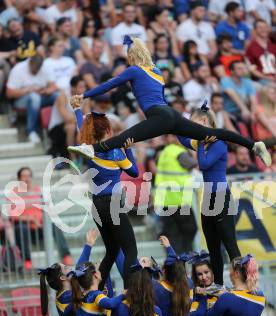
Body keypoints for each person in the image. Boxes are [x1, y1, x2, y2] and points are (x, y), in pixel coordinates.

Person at [68, 36, 271, 166]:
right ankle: (254, 145)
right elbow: (160, 104)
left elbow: (109, 84)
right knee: (213, 133)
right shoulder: (156, 71)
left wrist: (84, 96)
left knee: (126, 137)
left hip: (160, 115)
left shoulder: (134, 70)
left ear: (132, 55)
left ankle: (91, 149)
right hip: (171, 114)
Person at [71, 100, 139, 288]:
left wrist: (76, 109)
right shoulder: (116, 152)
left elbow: (80, 127)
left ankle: (96, 290)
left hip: (97, 205)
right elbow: (134, 172)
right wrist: (129, 150)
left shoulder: (89, 149)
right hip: (113, 204)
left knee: (111, 251)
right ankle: (130, 292)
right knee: (130, 250)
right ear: (108, 131)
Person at [178, 102, 241, 284]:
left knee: (230, 244)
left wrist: (198, 143)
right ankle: (219, 285)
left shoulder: (218, 142)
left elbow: (204, 164)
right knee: (212, 246)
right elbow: (182, 138)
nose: (192, 128)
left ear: (204, 121)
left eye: (194, 123)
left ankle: (243, 284)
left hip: (221, 196)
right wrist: (173, 123)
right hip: (208, 199)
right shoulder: (203, 143)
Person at [11, 167, 72, 269]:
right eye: (24, 176)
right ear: (19, 179)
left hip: (39, 226)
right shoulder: (15, 194)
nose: (27, 178)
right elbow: (13, 216)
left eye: (29, 176)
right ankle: (27, 260)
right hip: (25, 228)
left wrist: (41, 221)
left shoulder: (37, 191)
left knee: (53, 225)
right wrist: (30, 219)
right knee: (21, 229)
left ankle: (66, 255)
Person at [154, 134, 197, 254]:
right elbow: (193, 164)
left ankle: (177, 261)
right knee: (190, 229)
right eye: (174, 136)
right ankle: (185, 255)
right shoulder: (178, 152)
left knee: (173, 235)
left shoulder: (162, 153)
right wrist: (191, 151)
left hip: (166, 201)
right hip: (179, 201)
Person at [6, 55, 58, 144]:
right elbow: (9, 93)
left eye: (38, 69)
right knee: (34, 97)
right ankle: (31, 131)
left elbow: (53, 86)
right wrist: (28, 90)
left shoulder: (45, 67)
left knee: (58, 96)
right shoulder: (18, 69)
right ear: (29, 63)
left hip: (41, 95)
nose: (36, 71)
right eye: (34, 69)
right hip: (21, 99)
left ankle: (54, 128)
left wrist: (46, 91)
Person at [48, 75, 90, 160]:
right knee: (71, 127)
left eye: (84, 87)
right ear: (73, 88)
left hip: (76, 125)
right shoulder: (62, 96)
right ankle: (72, 158)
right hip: (57, 128)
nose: (84, 89)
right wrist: (81, 123)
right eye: (81, 87)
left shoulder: (84, 98)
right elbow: (66, 118)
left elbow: (88, 116)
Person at [246, 19, 276, 84]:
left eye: (265, 27)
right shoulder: (251, 48)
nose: (263, 30)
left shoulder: (274, 44)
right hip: (263, 80)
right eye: (260, 28)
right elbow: (252, 69)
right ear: (255, 30)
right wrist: (267, 77)